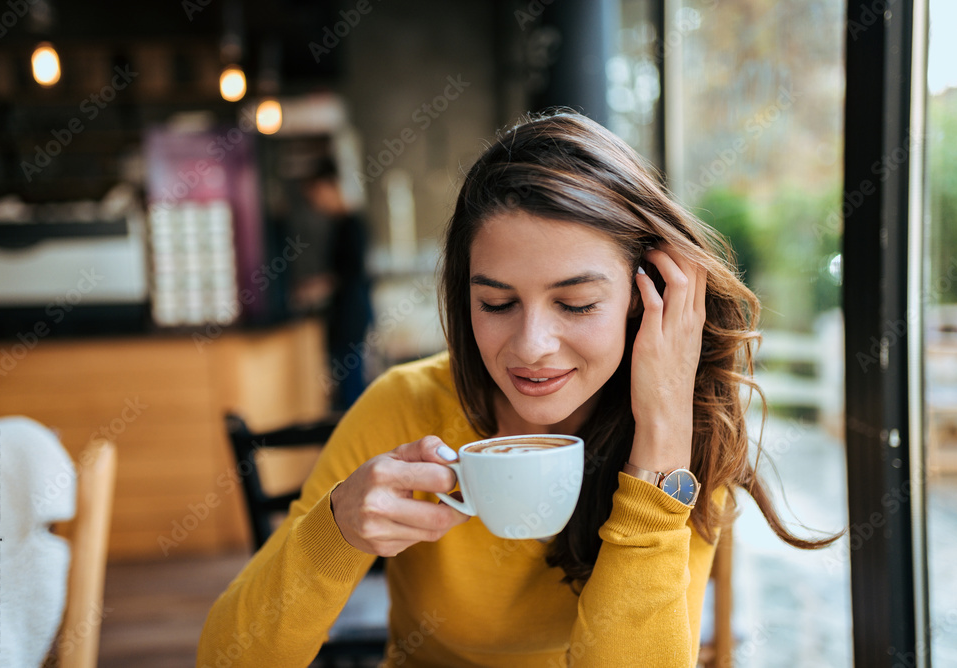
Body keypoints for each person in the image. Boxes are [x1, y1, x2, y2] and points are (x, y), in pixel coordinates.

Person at [198, 111, 838, 667]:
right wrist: (335, 534)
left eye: (578, 304)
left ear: (646, 301)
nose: (531, 347)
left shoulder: (680, 432)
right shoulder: (408, 405)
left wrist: (660, 448)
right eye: (497, 302)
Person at [296, 157, 374, 410]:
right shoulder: (340, 224)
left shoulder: (351, 224)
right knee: (346, 382)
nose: (316, 203)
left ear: (329, 186)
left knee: (350, 385)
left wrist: (318, 286)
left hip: (351, 314)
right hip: (347, 312)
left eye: (316, 194)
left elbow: (349, 272)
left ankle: (355, 440)